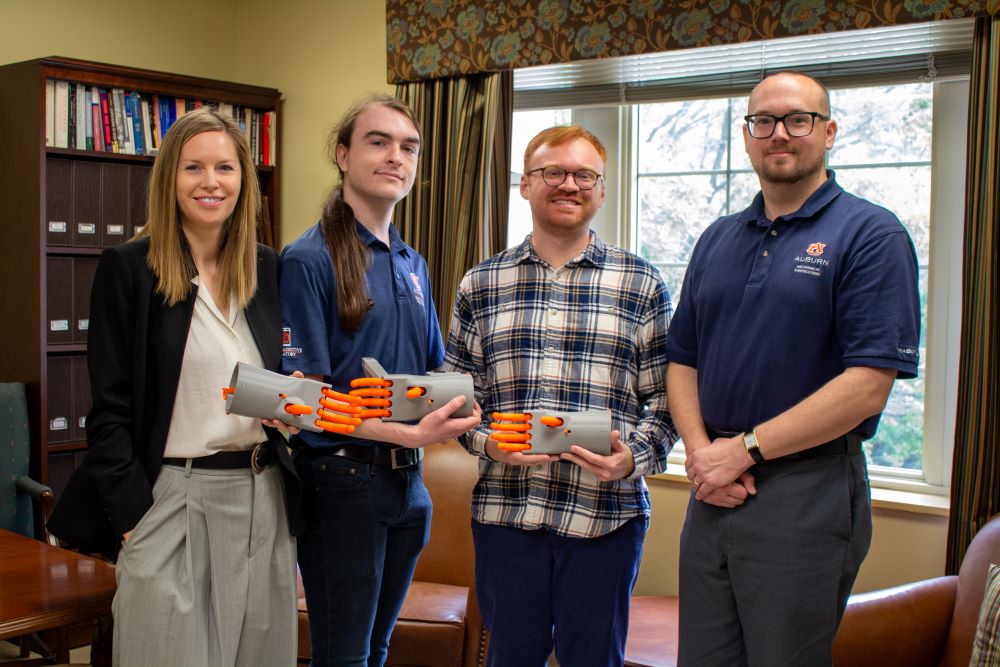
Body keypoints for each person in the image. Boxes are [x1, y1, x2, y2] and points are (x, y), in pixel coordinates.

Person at [665, 71, 921, 666]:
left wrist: (743, 451)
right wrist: (704, 455)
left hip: (806, 492)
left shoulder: (870, 234)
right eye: (763, 121)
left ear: (828, 131)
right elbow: (683, 357)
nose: (779, 133)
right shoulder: (718, 239)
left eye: (797, 119)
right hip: (714, 491)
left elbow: (867, 386)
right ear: (748, 135)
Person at [47, 108, 301, 666]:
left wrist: (292, 403)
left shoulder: (268, 268)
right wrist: (135, 518)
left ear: (245, 182)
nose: (211, 182)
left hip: (264, 498)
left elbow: (285, 377)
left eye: (226, 168)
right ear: (170, 179)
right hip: (173, 497)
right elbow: (108, 411)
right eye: (193, 167)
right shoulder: (129, 269)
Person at [443, 125, 676, 666]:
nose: (568, 184)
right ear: (525, 185)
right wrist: (487, 445)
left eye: (583, 174)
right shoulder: (481, 283)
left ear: (601, 188)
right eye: (553, 172)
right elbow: (457, 402)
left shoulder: (642, 284)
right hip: (506, 514)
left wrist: (631, 460)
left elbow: (667, 403)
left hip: (605, 518)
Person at [279, 94, 482, 667]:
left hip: (407, 488)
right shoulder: (309, 259)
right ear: (342, 156)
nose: (397, 156)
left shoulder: (411, 263)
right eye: (379, 141)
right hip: (341, 482)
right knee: (343, 658)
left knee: (376, 651)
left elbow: (434, 374)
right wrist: (408, 436)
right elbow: (304, 401)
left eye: (409, 147)